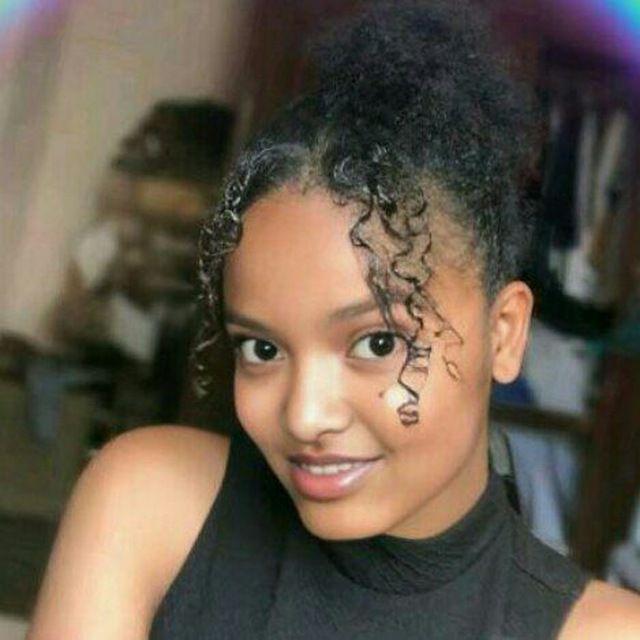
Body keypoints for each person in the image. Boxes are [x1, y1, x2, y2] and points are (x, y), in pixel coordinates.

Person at [28, 1, 640, 638]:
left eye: (377, 342)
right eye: (262, 349)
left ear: (504, 333)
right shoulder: (150, 505)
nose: (304, 416)